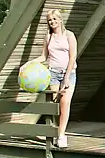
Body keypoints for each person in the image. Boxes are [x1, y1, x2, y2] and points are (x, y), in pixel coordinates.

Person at [21, 9, 77, 148]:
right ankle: (55, 132)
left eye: (54, 19)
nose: (52, 22)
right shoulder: (48, 37)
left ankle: (62, 135)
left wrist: (66, 78)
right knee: (54, 105)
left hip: (68, 74)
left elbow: (72, 57)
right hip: (52, 74)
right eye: (50, 20)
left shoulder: (69, 35)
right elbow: (44, 57)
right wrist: (29, 63)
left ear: (60, 19)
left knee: (65, 103)